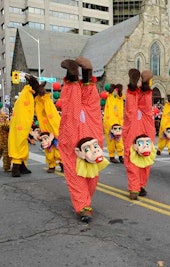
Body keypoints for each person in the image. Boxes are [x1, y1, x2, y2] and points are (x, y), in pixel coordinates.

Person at [58, 57, 109, 223]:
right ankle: (84, 76)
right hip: (85, 132)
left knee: (84, 173)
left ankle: (77, 77)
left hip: (85, 133)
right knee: (77, 172)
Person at [122, 69, 156, 200]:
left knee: (132, 157)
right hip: (146, 126)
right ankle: (145, 86)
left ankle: (135, 188)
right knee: (145, 156)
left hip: (135, 127)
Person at [8, 75, 46, 177]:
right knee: (19, 143)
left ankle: (22, 166)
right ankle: (16, 168)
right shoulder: (27, 94)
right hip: (20, 124)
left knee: (22, 144)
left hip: (21, 124)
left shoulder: (27, 94)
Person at [103, 84, 125, 163]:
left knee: (119, 140)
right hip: (109, 122)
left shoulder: (120, 98)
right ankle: (111, 156)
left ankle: (120, 156)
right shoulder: (108, 96)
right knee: (111, 140)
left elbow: (122, 96)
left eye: (117, 90)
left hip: (118, 122)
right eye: (115, 90)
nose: (116, 92)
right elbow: (102, 96)